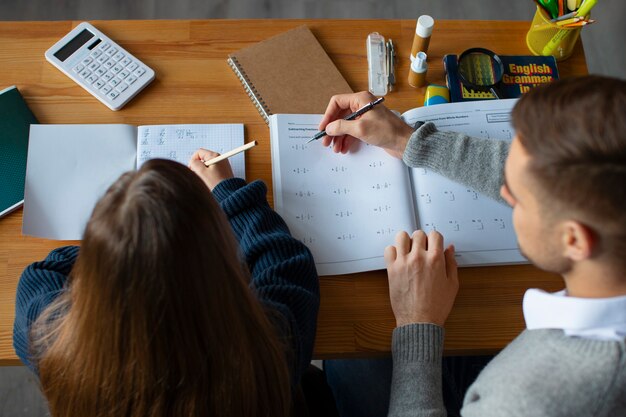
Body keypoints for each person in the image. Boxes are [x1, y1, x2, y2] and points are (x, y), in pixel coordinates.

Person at [320, 76, 626, 416]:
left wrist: (416, 321)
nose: (505, 193)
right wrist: (409, 141)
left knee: (349, 356)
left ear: (574, 240)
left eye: (519, 197)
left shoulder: (533, 399)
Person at [13, 151, 320, 417]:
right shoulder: (269, 353)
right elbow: (284, 261)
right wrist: (228, 192)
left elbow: (40, 273)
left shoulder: (53, 342)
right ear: (218, 258)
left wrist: (121, 249)